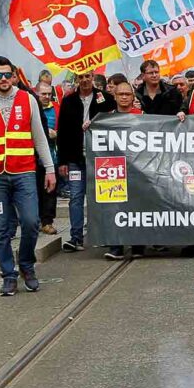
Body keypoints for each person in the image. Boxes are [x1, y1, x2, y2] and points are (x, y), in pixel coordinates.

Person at [0, 57, 56, 296]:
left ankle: (26, 265)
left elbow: (40, 137)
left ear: (15, 76)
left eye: (7, 74)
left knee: (30, 222)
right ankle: (8, 274)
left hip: (24, 172)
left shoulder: (27, 99)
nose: (3, 79)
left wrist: (49, 169)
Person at [57, 70, 115, 252]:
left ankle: (104, 236)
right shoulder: (68, 101)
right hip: (75, 159)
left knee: (102, 197)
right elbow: (63, 133)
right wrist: (62, 161)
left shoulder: (105, 98)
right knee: (75, 198)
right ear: (76, 79)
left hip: (100, 159)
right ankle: (76, 238)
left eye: (87, 76)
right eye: (80, 77)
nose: (84, 80)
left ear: (93, 78)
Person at [103, 79, 147, 261]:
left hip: (138, 169)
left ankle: (138, 245)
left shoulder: (143, 116)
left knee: (138, 206)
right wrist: (90, 128)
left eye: (127, 94)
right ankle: (117, 246)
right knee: (116, 207)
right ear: (114, 96)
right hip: (116, 169)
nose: (123, 97)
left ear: (133, 97)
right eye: (120, 94)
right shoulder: (106, 119)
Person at [36, 80, 60, 235]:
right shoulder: (31, 107)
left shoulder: (56, 109)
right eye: (43, 94)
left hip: (52, 157)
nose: (46, 97)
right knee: (35, 191)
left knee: (50, 191)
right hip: (32, 158)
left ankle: (47, 221)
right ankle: (35, 220)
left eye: (49, 94)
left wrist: (56, 134)